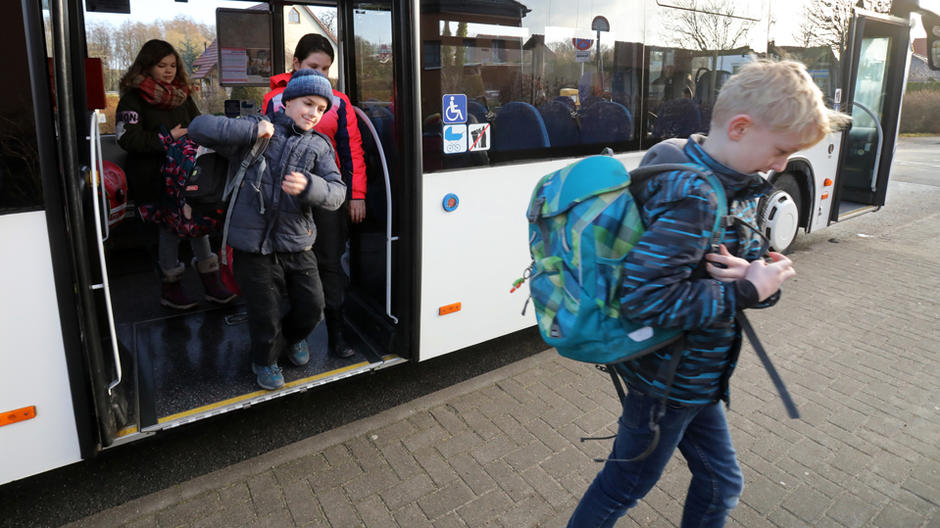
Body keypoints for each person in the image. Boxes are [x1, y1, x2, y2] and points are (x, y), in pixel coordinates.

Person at [567, 60, 851, 527]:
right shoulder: (695, 196)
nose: (782, 166)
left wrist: (754, 277)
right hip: (668, 387)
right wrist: (745, 289)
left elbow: (720, 278)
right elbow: (646, 301)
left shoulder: (703, 169)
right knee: (622, 490)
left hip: (693, 380)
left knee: (721, 485)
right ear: (740, 127)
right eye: (781, 151)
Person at [188, 69, 346, 390]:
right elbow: (198, 128)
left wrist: (310, 186)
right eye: (307, 103)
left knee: (313, 306)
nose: (314, 113)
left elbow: (336, 192)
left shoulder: (320, 145)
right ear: (286, 102)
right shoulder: (256, 129)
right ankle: (265, 358)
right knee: (265, 313)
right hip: (252, 245)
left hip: (296, 242)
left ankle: (293, 338)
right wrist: (251, 132)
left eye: (320, 108)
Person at [262, 34, 366, 359]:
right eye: (313, 66)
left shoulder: (339, 102)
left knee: (330, 263)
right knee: (288, 266)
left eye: (326, 69)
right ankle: (296, 335)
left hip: (327, 195)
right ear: (296, 64)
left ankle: (336, 331)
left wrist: (357, 194)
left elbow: (352, 152)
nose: (320, 73)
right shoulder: (276, 99)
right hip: (287, 195)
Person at [116, 39, 235, 309]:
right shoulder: (132, 99)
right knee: (169, 230)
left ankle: (210, 280)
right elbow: (128, 140)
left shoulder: (182, 95)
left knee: (199, 223)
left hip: (188, 175)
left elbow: (199, 125)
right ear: (147, 67)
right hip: (155, 177)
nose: (168, 71)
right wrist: (167, 138)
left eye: (172, 65)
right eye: (161, 66)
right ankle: (171, 287)